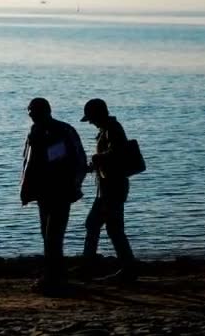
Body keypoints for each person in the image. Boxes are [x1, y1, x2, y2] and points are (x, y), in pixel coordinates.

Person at [20, 98, 87, 296]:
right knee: (49, 235)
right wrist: (27, 190)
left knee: (53, 235)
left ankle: (54, 278)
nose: (31, 114)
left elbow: (69, 162)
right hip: (46, 192)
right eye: (30, 111)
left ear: (45, 111)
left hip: (59, 192)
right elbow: (32, 164)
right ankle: (54, 275)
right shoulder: (41, 131)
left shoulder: (56, 132)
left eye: (33, 111)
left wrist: (73, 187)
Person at [80, 98, 138, 282]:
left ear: (98, 115)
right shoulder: (107, 129)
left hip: (112, 188)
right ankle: (126, 268)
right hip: (109, 188)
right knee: (110, 228)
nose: (90, 122)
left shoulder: (112, 129)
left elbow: (118, 151)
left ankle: (91, 266)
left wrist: (98, 158)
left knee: (100, 226)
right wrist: (93, 165)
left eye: (91, 118)